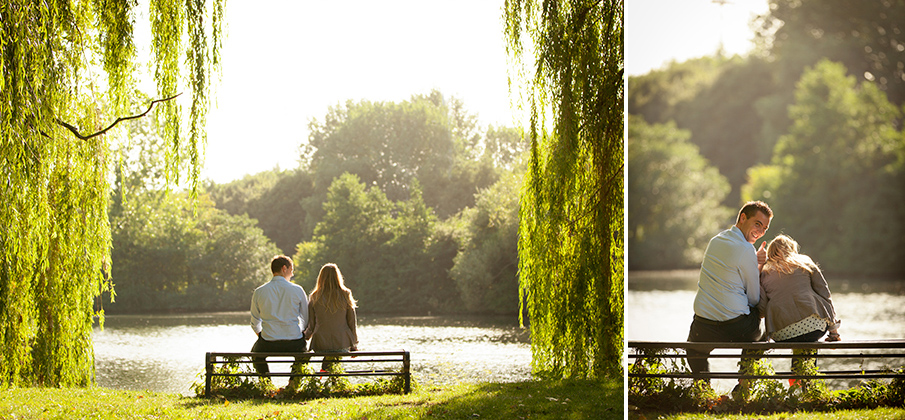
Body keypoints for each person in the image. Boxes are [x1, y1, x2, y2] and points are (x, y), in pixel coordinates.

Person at [686, 201, 773, 381]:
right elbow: (754, 298)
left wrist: (752, 260)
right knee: (763, 333)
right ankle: (743, 385)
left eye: (765, 228)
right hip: (737, 327)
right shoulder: (746, 249)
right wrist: (758, 264)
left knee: (693, 350)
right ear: (743, 218)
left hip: (704, 326)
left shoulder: (715, 241)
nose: (761, 232)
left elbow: (730, 268)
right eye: (758, 224)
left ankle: (703, 390)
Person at [757, 234, 840, 343]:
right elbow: (824, 292)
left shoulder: (763, 271)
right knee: (812, 322)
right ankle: (807, 360)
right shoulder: (803, 261)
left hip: (781, 333)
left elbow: (762, 308)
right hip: (814, 328)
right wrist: (834, 331)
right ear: (792, 248)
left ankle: (802, 360)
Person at [250, 255, 309, 377]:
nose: (292, 274)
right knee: (304, 354)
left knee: (255, 354)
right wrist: (301, 333)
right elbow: (306, 318)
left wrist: (261, 334)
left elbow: (254, 322)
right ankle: (293, 383)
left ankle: (266, 382)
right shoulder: (298, 290)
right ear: (284, 268)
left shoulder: (259, 291)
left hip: (268, 342)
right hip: (294, 341)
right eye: (291, 270)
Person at [303, 263, 358, 371]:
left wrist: (304, 338)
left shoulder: (314, 296)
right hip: (342, 343)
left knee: (329, 358)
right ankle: (332, 379)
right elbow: (351, 322)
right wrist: (354, 344)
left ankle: (327, 376)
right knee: (335, 356)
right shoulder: (345, 294)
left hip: (321, 344)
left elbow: (311, 325)